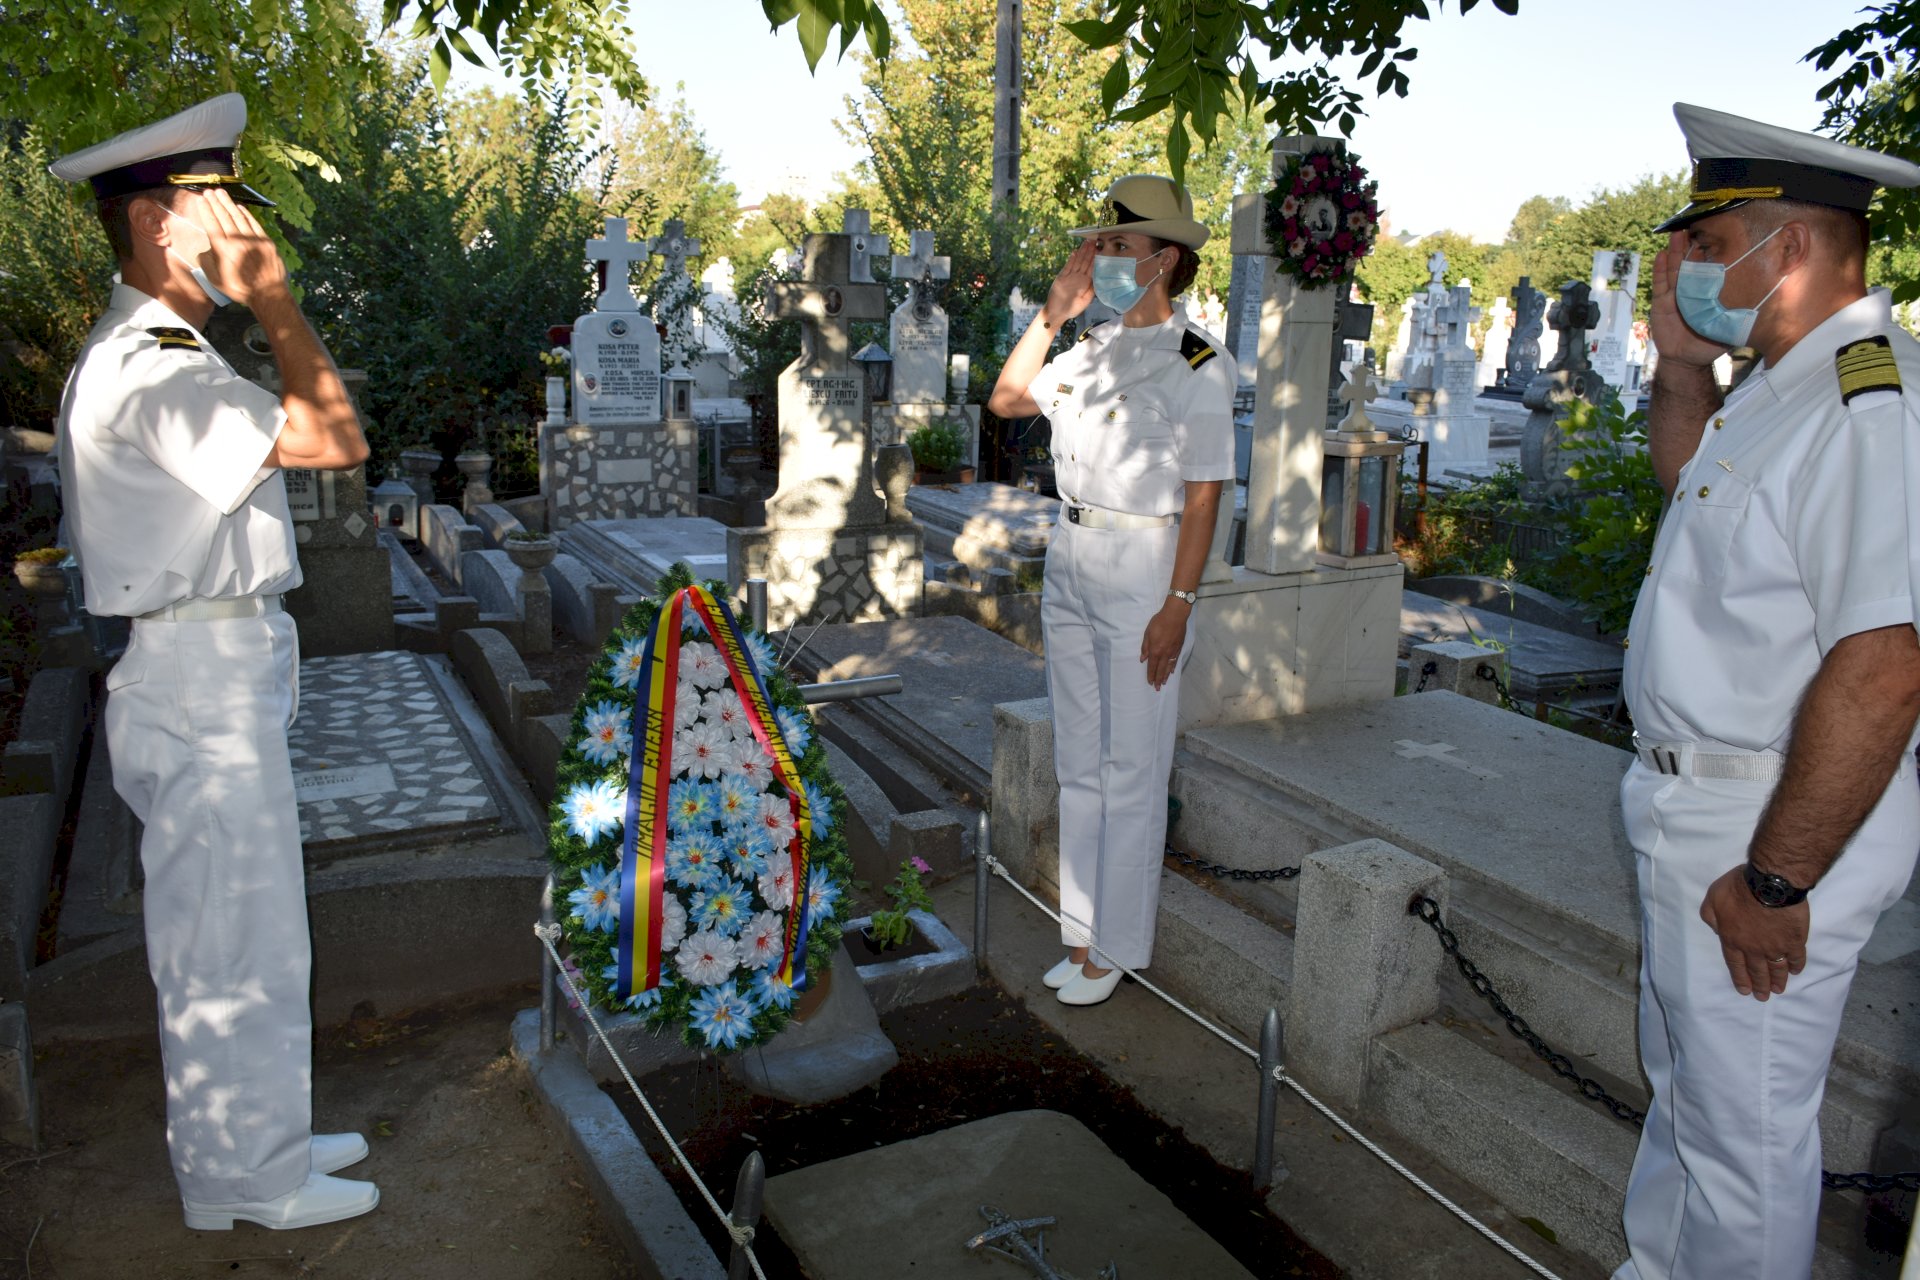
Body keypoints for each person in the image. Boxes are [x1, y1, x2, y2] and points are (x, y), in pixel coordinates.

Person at [50, 94, 378, 1231]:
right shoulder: (149, 365)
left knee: (248, 926)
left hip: (215, 660)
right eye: (223, 205)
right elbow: (335, 437)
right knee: (228, 934)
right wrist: (275, 300)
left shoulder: (171, 352)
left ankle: (262, 1139)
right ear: (157, 222)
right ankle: (247, 1180)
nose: (248, 229)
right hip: (198, 670)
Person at [1616, 102, 1920, 1279]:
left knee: (1743, 1143)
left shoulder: (1866, 404)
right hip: (1704, 801)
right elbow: (1692, 486)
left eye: (1706, 242)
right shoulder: (1778, 384)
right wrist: (1680, 366)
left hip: (1770, 819)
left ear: (1787, 248)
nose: (1684, 266)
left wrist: (1777, 878)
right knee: (1689, 1097)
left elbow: (1886, 667)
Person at [987, 175, 1235, 1007]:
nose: (1102, 259)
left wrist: (1179, 604)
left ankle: (1119, 949)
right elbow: (1007, 400)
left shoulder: (1196, 362)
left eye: (1119, 246)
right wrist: (1052, 314)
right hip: (1072, 555)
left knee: (1132, 766)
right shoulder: (1089, 348)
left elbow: (1204, 497)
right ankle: (1082, 934)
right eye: (1099, 246)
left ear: (1165, 259)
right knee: (1079, 760)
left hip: (1144, 568)